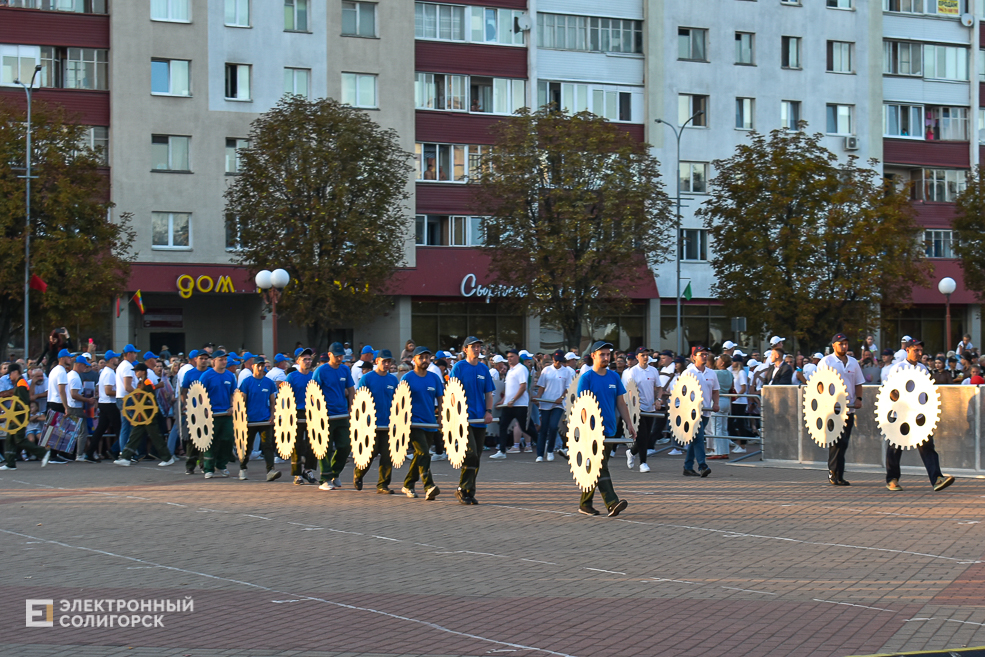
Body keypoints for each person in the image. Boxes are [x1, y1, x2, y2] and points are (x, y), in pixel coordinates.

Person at [884, 339, 955, 492]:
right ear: (908, 350)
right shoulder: (898, 368)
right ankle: (892, 479)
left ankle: (937, 478)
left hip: (919, 415)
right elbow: (890, 391)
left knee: (927, 446)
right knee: (895, 447)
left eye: (921, 350)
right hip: (901, 415)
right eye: (916, 350)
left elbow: (928, 390)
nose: (920, 353)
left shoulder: (923, 368)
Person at [575, 341, 634, 517]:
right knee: (600, 466)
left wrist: (629, 423)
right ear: (593, 356)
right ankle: (612, 503)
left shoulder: (614, 377)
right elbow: (582, 407)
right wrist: (588, 429)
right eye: (602, 354)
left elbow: (621, 403)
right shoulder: (587, 378)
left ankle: (585, 504)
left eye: (608, 355)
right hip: (592, 431)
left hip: (610, 430)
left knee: (597, 467)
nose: (606, 358)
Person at [449, 337, 495, 504]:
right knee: (471, 453)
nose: (477, 349)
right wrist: (457, 414)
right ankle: (462, 488)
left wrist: (488, 412)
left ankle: (469, 491)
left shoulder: (483, 369)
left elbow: (488, 393)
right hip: (464, 419)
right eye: (473, 346)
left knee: (477, 456)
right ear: (465, 349)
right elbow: (452, 393)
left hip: (479, 419)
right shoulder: (459, 367)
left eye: (478, 346)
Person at [821, 333, 864, 486]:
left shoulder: (853, 362)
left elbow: (858, 383)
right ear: (834, 345)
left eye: (846, 343)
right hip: (833, 410)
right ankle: (833, 472)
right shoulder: (826, 361)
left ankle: (840, 474)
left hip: (849, 408)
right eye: (840, 344)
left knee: (844, 442)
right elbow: (819, 384)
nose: (844, 346)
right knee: (836, 442)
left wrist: (859, 399)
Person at [311, 342, 355, 490]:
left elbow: (351, 389)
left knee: (345, 445)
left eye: (341, 356)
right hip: (326, 415)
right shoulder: (321, 371)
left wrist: (351, 407)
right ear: (329, 355)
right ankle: (325, 479)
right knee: (325, 447)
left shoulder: (345, 369)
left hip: (342, 414)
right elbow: (313, 392)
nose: (339, 358)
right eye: (337, 356)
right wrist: (317, 411)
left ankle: (335, 473)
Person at [399, 346, 442, 500]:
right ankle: (429, 486)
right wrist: (403, 420)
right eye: (421, 357)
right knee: (424, 453)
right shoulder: (407, 378)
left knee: (420, 455)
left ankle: (408, 484)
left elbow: (441, 398)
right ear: (414, 360)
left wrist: (441, 416)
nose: (425, 360)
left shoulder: (434, 378)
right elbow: (399, 401)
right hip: (414, 423)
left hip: (430, 422)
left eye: (427, 357)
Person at [112, 363, 176, 467]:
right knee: (134, 436)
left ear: (143, 372)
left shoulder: (146, 382)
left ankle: (167, 458)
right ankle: (126, 457)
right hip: (142, 414)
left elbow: (150, 398)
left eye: (137, 371)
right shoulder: (141, 382)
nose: (136, 373)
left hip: (148, 415)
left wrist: (147, 409)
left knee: (155, 437)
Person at [354, 349, 398, 494]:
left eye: (389, 362)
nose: (387, 364)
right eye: (384, 361)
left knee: (387, 455)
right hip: (370, 424)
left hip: (388, 424)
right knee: (369, 453)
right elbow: (360, 400)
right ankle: (358, 473)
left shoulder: (393, 380)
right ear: (376, 361)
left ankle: (383, 484)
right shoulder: (367, 378)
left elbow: (397, 401)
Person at [0, 364, 51, 470]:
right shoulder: (19, 383)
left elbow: (23, 402)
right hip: (15, 416)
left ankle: (43, 452)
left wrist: (13, 412)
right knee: (10, 438)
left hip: (19, 417)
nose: (10, 377)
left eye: (10, 374)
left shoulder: (21, 384)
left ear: (15, 372)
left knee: (19, 439)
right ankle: (10, 463)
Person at [238, 357, 280, 481]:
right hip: (250, 420)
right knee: (247, 446)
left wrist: (272, 415)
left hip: (264, 420)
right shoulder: (247, 382)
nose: (260, 368)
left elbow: (272, 401)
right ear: (253, 366)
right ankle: (243, 468)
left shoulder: (269, 382)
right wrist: (242, 417)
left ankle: (270, 470)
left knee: (267, 445)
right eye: (258, 366)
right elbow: (242, 401)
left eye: (262, 366)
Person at [198, 350, 237, 479]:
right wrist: (204, 409)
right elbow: (200, 394)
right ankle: (208, 468)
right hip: (211, 415)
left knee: (228, 439)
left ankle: (221, 465)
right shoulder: (206, 376)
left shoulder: (230, 376)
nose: (224, 362)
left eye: (225, 360)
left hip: (226, 414)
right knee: (210, 441)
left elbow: (233, 394)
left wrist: (232, 407)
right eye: (221, 360)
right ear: (213, 361)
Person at [683, 346, 720, 478]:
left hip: (706, 410)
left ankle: (687, 467)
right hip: (692, 411)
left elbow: (715, 390)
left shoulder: (711, 373)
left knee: (695, 439)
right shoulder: (688, 372)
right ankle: (702, 466)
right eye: (701, 354)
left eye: (706, 354)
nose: (704, 356)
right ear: (694, 357)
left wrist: (716, 403)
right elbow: (681, 392)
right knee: (698, 438)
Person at [285, 348, 318, 485]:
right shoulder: (291, 377)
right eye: (305, 359)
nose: (308, 361)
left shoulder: (314, 376)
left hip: (312, 412)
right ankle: (297, 473)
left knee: (314, 443)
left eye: (309, 359)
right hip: (296, 412)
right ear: (298, 361)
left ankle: (308, 470)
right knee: (296, 443)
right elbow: (285, 396)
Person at [623, 346, 659, 473]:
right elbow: (629, 390)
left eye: (647, 355)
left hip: (651, 407)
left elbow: (658, 387)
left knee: (646, 437)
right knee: (642, 436)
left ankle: (631, 452)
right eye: (642, 355)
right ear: (637, 357)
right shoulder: (633, 371)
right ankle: (643, 463)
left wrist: (658, 399)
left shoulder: (653, 371)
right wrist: (633, 405)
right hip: (638, 408)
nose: (645, 357)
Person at [534, 350, 573, 463]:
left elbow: (568, 388)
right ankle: (540, 454)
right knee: (544, 428)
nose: (558, 362)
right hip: (546, 402)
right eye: (556, 360)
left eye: (560, 361)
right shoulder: (546, 370)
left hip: (558, 404)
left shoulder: (567, 372)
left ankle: (550, 450)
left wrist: (561, 398)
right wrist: (538, 397)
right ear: (553, 359)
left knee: (553, 426)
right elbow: (541, 386)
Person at [491, 349, 528, 458]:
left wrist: (513, 400)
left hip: (520, 405)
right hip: (509, 405)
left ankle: (541, 446)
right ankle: (502, 451)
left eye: (511, 356)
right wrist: (503, 401)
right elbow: (508, 389)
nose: (509, 359)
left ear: (517, 357)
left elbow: (523, 387)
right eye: (508, 357)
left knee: (527, 428)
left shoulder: (521, 369)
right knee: (503, 425)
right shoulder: (510, 371)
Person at [114, 344, 139, 456]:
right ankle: (128, 452)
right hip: (127, 399)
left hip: (121, 398)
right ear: (129, 354)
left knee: (125, 426)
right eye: (134, 353)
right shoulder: (128, 367)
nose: (136, 355)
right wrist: (138, 394)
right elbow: (128, 386)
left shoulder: (121, 365)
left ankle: (124, 451)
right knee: (132, 426)